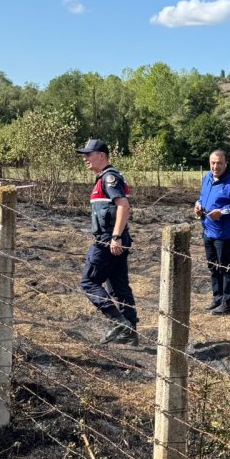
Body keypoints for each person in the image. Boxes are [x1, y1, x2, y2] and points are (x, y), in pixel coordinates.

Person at [76, 139, 138, 345]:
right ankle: (130, 335)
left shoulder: (109, 177)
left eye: (89, 154)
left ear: (101, 155)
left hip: (108, 240)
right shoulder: (104, 178)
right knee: (119, 287)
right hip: (114, 239)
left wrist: (116, 237)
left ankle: (119, 323)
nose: (85, 158)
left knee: (88, 282)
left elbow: (123, 206)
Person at [194, 149, 230, 314]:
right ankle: (217, 299)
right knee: (213, 267)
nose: (215, 166)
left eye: (219, 163)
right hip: (208, 230)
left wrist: (222, 212)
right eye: (212, 163)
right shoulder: (207, 178)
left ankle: (228, 303)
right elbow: (202, 197)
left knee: (226, 268)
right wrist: (197, 205)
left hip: (225, 234)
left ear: (225, 163)